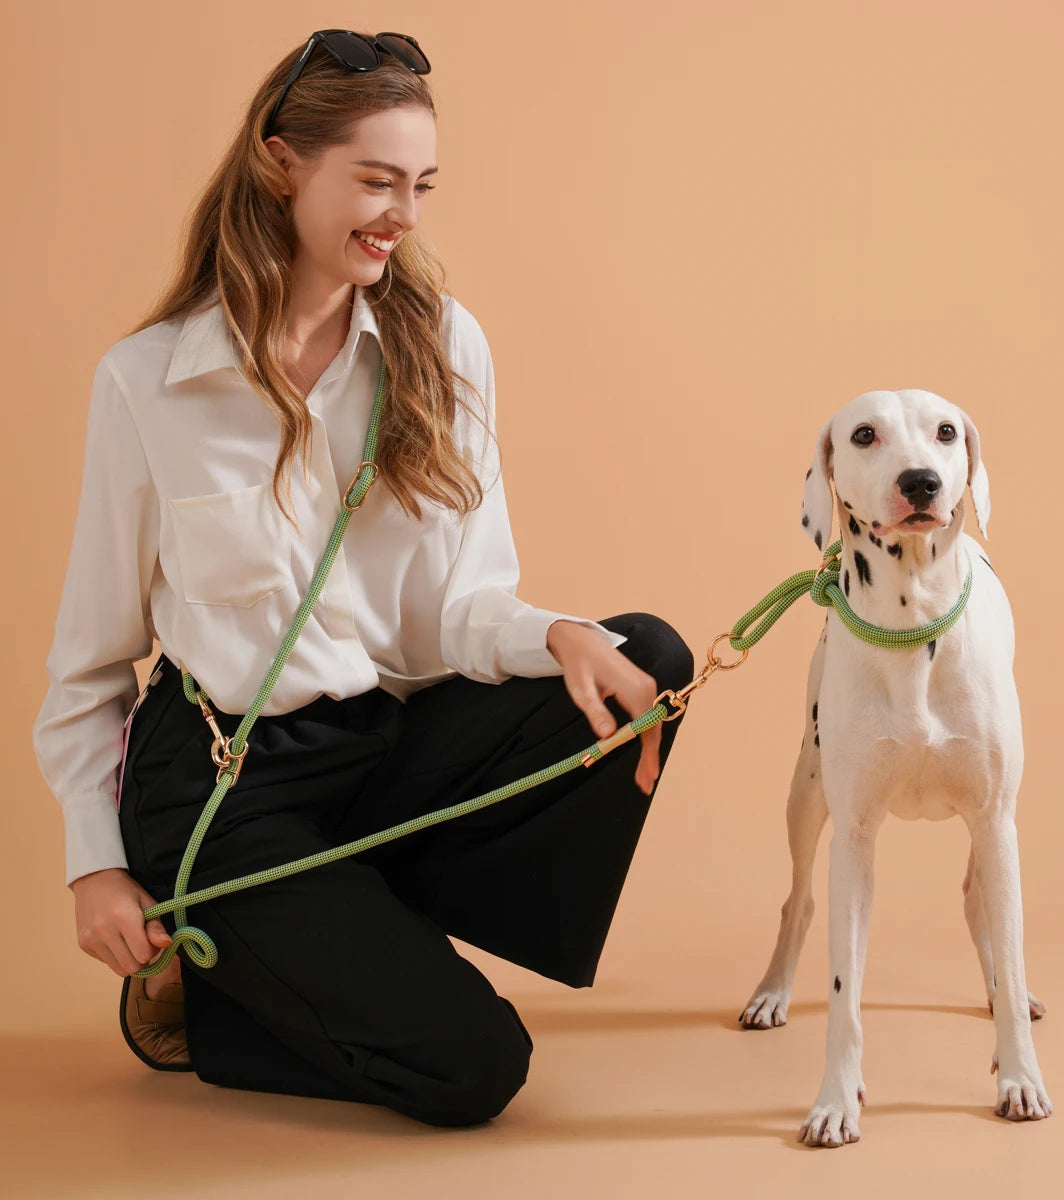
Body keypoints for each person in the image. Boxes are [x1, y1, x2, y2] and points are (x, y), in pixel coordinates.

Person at [31, 30, 693, 1127]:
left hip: (381, 748)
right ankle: (238, 975)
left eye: (421, 185)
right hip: (225, 784)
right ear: (282, 160)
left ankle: (334, 927)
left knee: (641, 658)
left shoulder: (440, 345)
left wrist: (559, 634)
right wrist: (93, 867)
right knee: (477, 1070)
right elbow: (91, 657)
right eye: (377, 180)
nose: (405, 214)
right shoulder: (149, 383)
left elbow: (458, 611)